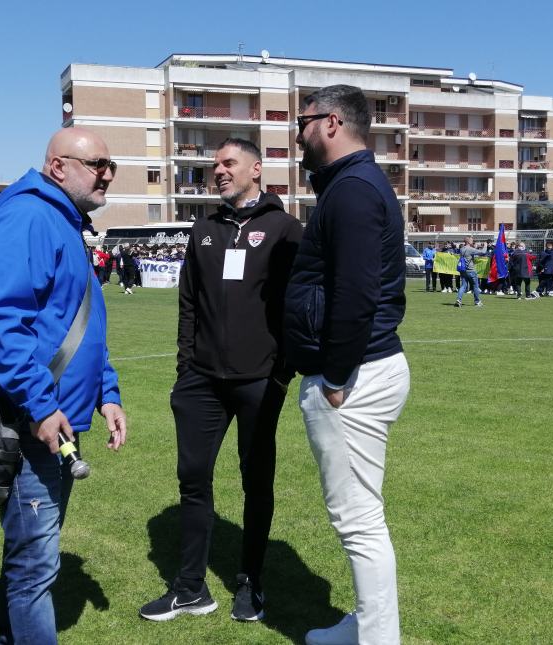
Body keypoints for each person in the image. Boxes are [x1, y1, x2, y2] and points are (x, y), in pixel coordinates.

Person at [0, 127, 127, 645]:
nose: (107, 174)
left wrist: (107, 391)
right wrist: (39, 406)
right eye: (97, 164)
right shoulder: (29, 218)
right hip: (32, 421)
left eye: (110, 166)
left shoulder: (62, 220)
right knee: (35, 569)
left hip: (58, 418)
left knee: (33, 559)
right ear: (58, 167)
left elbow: (81, 321)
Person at [139, 138, 302, 623]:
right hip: (201, 381)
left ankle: (250, 581)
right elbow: (188, 302)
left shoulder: (285, 229)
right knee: (193, 480)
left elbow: (296, 306)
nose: (219, 171)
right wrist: (185, 368)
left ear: (256, 168)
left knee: (256, 483)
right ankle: (190, 587)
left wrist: (282, 371)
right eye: (215, 165)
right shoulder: (204, 229)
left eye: (229, 163)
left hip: (260, 380)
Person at [283, 85, 410, 645]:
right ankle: (364, 625)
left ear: (332, 122)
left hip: (354, 378)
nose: (298, 133)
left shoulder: (353, 190)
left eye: (303, 122)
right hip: (362, 371)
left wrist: (334, 378)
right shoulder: (350, 185)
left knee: (359, 521)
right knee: (361, 515)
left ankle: (378, 638)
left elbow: (357, 293)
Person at [455, 237, 487, 307]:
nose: (473, 242)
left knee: (463, 286)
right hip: (471, 270)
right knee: (475, 286)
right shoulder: (470, 249)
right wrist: (485, 245)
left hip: (463, 270)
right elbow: (483, 252)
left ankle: (458, 299)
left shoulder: (462, 249)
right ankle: (477, 302)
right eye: (472, 241)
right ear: (468, 241)